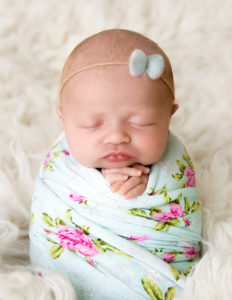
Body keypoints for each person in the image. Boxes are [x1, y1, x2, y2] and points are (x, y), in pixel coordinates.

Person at [30, 29, 201, 300]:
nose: (116, 137)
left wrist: (146, 189)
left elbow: (176, 205)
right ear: (64, 119)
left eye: (140, 123)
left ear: (170, 116)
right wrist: (102, 184)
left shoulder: (174, 163)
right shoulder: (60, 167)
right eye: (92, 124)